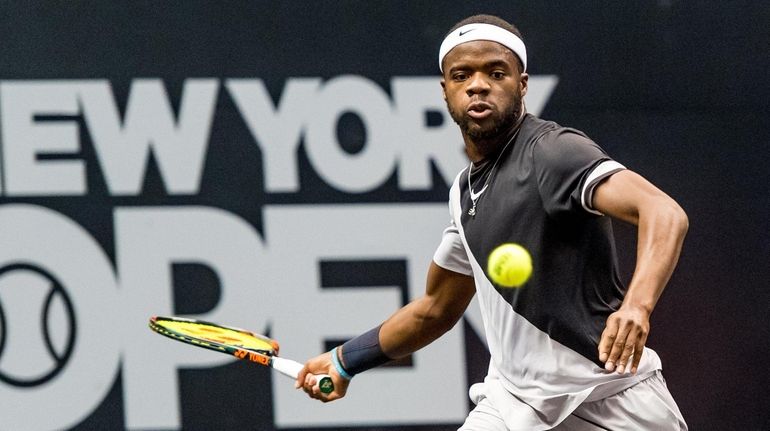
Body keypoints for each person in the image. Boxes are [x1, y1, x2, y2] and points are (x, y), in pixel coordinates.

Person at [297, 14, 689, 430]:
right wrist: (345, 360)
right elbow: (435, 309)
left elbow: (664, 212)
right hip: (514, 405)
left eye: (496, 72)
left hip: (612, 398)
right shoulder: (463, 193)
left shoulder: (553, 152)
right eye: (462, 75)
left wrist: (637, 308)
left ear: (522, 84)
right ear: (445, 90)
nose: (478, 84)